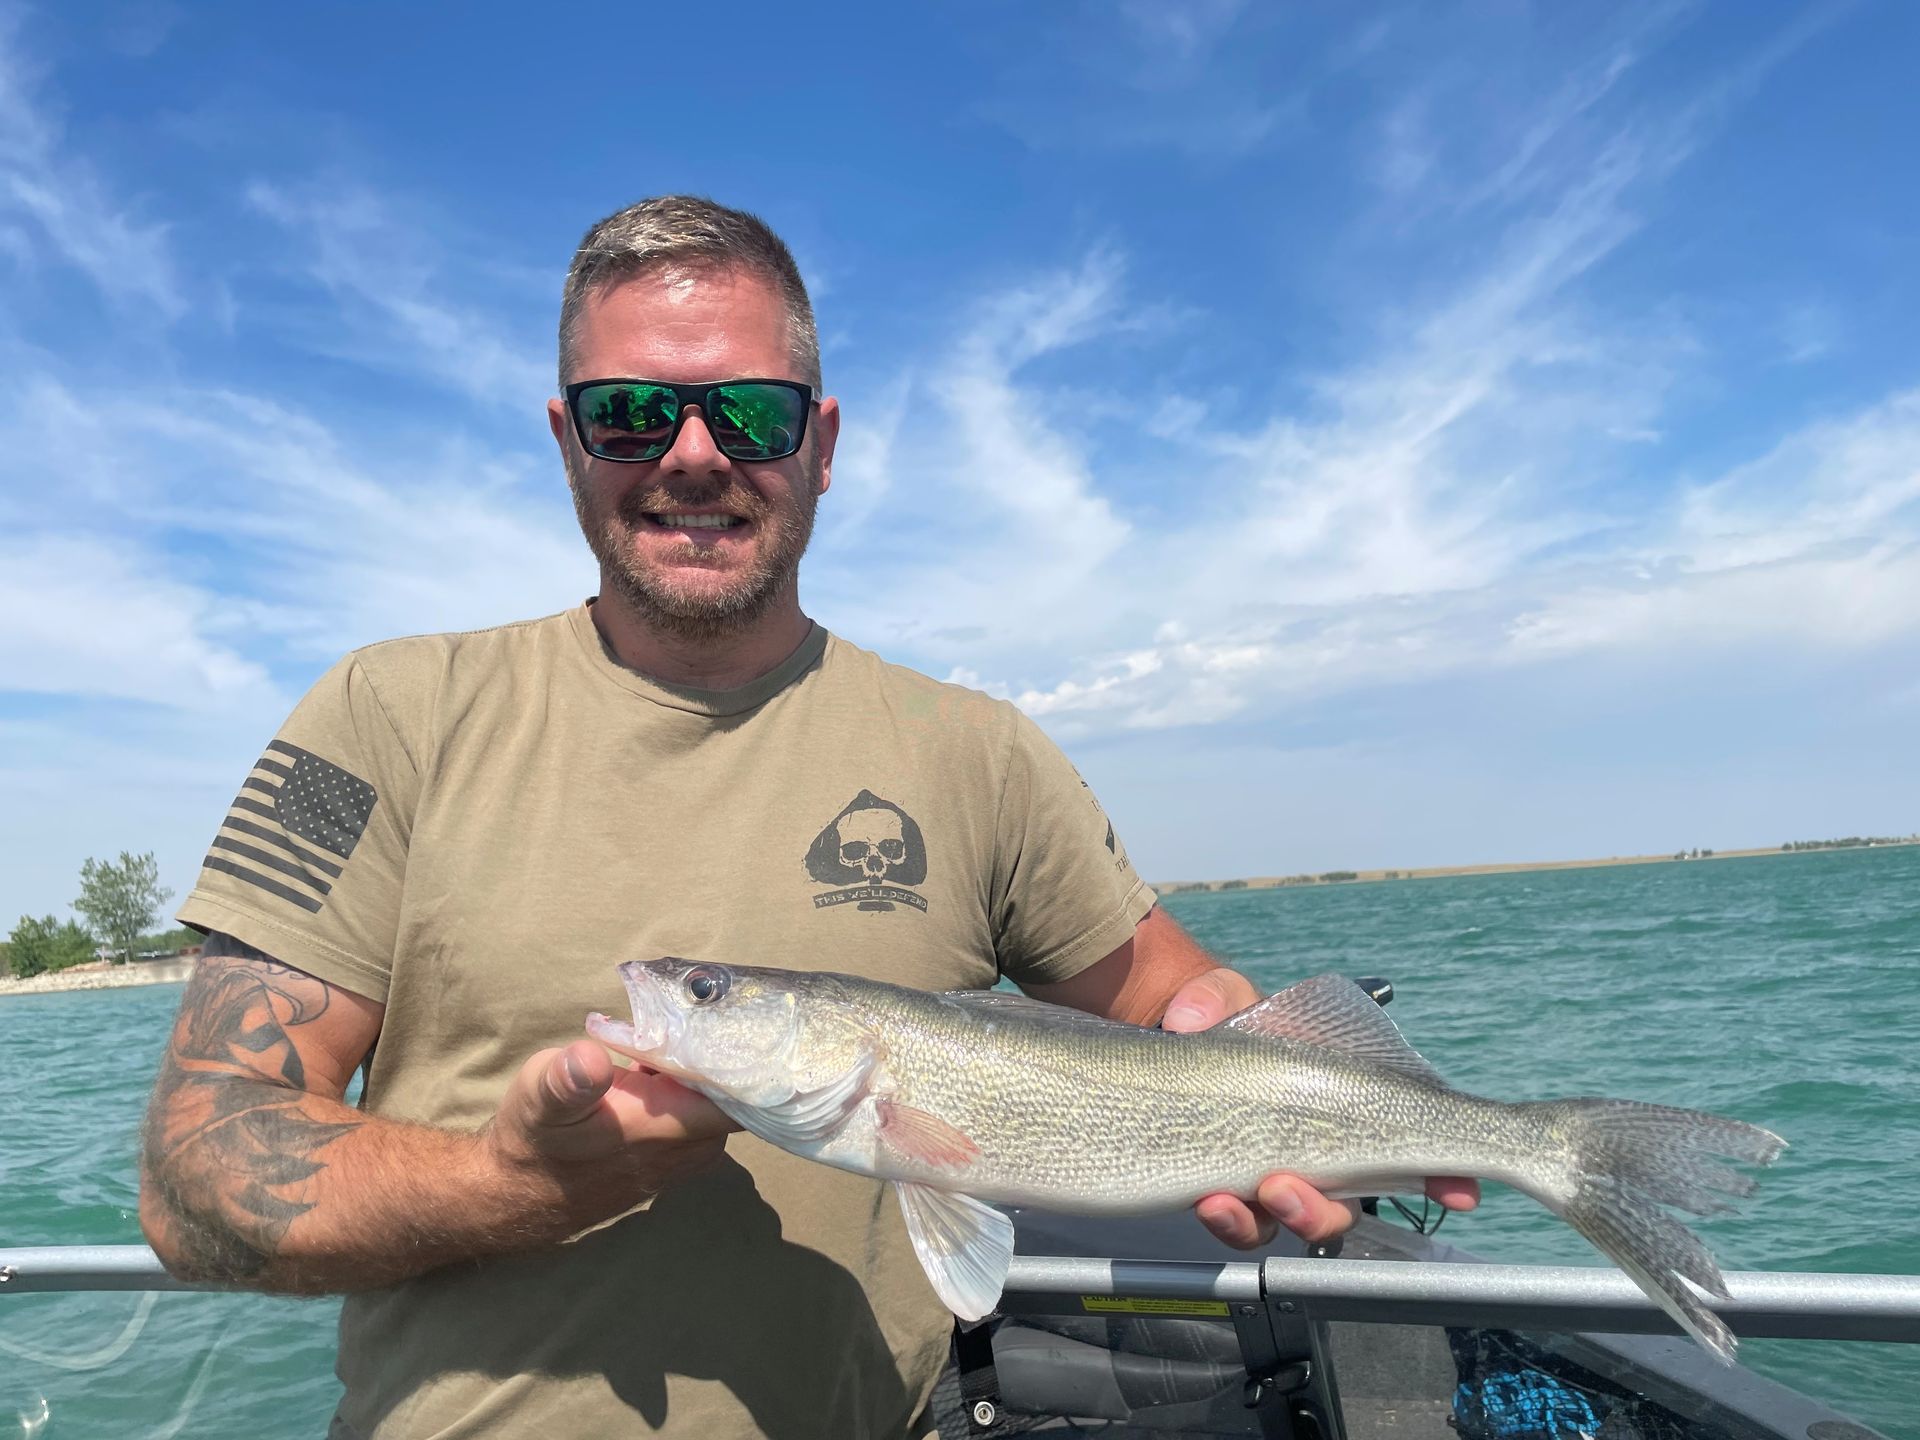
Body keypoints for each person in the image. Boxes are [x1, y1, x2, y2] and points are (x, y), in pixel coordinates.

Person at [139, 195, 1475, 1440]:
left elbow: (1179, 1001)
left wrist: (1248, 1087)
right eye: (630, 412)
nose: (695, 455)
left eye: (751, 416)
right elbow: (193, 1175)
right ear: (566, 443)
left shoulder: (980, 753)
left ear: (821, 446)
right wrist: (517, 1186)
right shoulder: (376, 712)